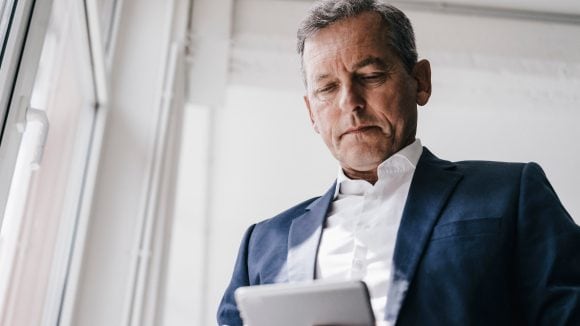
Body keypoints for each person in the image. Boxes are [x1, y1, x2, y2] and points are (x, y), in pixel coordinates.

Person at [217, 0, 580, 325]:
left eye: (371, 76)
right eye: (327, 88)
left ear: (420, 81)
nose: (350, 103)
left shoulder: (510, 193)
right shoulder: (261, 244)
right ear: (311, 112)